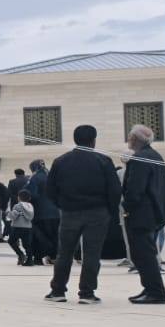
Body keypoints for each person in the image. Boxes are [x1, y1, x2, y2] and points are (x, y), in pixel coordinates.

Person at [44, 125, 121, 305]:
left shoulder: (61, 161)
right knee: (92, 253)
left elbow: (50, 190)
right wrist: (109, 210)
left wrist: (62, 205)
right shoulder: (103, 161)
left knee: (64, 253)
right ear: (93, 140)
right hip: (98, 213)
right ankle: (86, 292)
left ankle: (58, 290)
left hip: (70, 212)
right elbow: (114, 190)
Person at [122, 124, 165, 305]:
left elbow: (135, 190)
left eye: (130, 137)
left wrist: (127, 206)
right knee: (146, 253)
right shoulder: (155, 156)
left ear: (135, 139)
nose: (128, 140)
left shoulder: (140, 158)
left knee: (144, 255)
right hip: (153, 213)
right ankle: (150, 288)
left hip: (141, 215)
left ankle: (155, 292)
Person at [27, 160, 59, 264]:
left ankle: (38, 258)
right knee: (55, 236)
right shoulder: (53, 176)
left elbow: (32, 195)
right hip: (56, 212)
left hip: (40, 213)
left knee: (40, 236)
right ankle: (54, 256)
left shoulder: (35, 178)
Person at [6, 191, 36, 265]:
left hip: (17, 227)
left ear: (19, 197)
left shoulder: (18, 206)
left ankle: (20, 254)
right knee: (27, 244)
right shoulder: (30, 206)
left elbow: (13, 216)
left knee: (11, 241)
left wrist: (8, 213)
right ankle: (29, 260)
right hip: (28, 227)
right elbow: (31, 217)